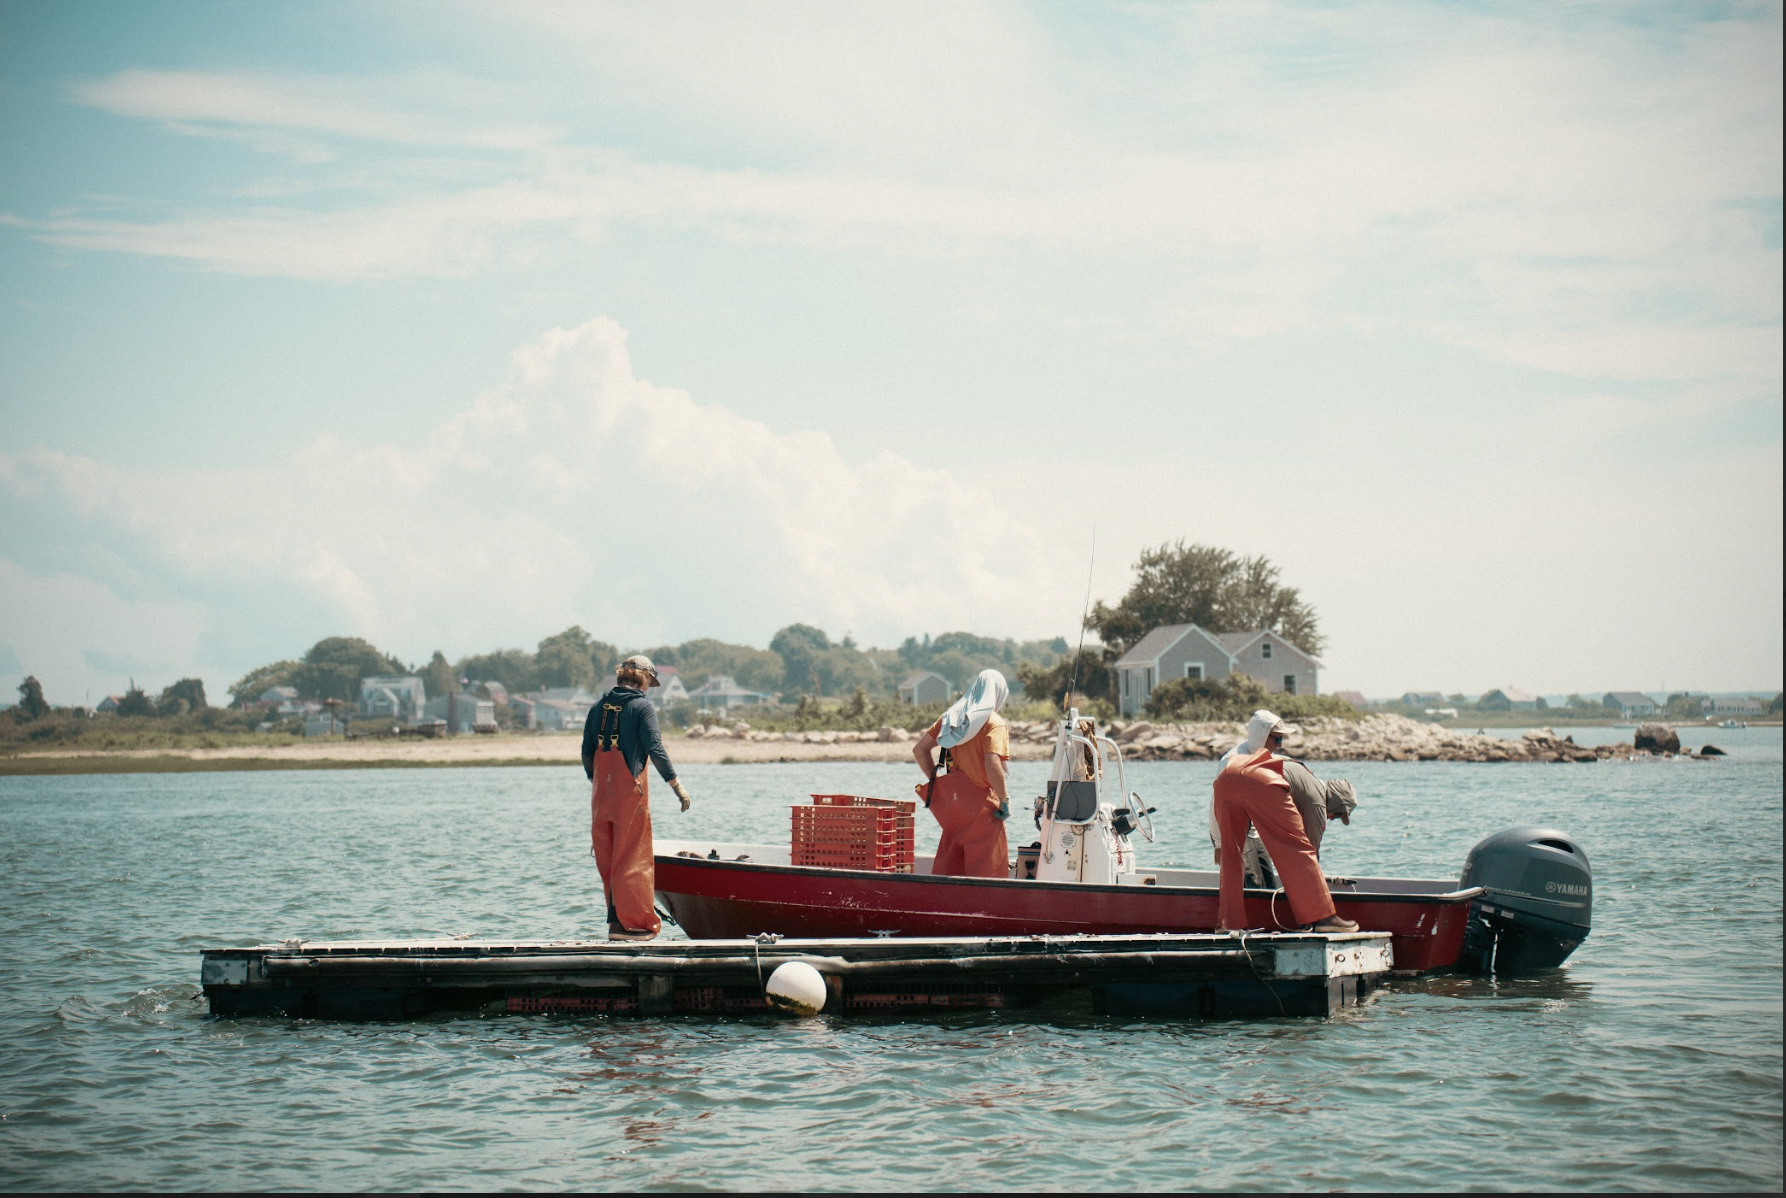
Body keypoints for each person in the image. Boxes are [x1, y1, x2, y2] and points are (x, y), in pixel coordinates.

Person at [1211, 708, 1357, 933]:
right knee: (1298, 850)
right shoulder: (1318, 799)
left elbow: (1218, 802)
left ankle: (1228, 924)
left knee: (1232, 858)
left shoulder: (1237, 757)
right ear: (1334, 804)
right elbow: (1309, 852)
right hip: (1258, 781)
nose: (1332, 818)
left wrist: (1222, 842)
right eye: (1337, 815)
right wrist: (1313, 895)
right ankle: (1323, 919)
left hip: (1227, 780)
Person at [582, 654, 693, 942]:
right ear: (644, 680)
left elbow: (586, 751)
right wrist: (676, 785)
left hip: (600, 797)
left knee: (607, 860)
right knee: (633, 858)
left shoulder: (597, 708)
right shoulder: (643, 707)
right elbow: (655, 749)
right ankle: (638, 925)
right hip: (629, 797)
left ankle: (615, 925)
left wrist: (597, 782)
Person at [912, 669, 1012, 878]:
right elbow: (992, 763)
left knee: (950, 870)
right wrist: (1004, 799)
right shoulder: (994, 723)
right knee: (988, 875)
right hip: (982, 809)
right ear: (998, 693)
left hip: (952, 805)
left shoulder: (950, 719)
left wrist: (937, 785)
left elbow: (919, 750)